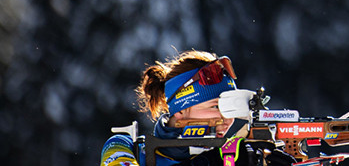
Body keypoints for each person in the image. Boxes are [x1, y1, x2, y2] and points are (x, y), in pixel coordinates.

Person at [101, 50, 294, 166]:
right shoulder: (123, 147)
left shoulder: (232, 155)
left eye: (230, 109)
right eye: (216, 106)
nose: (227, 119)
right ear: (181, 110)